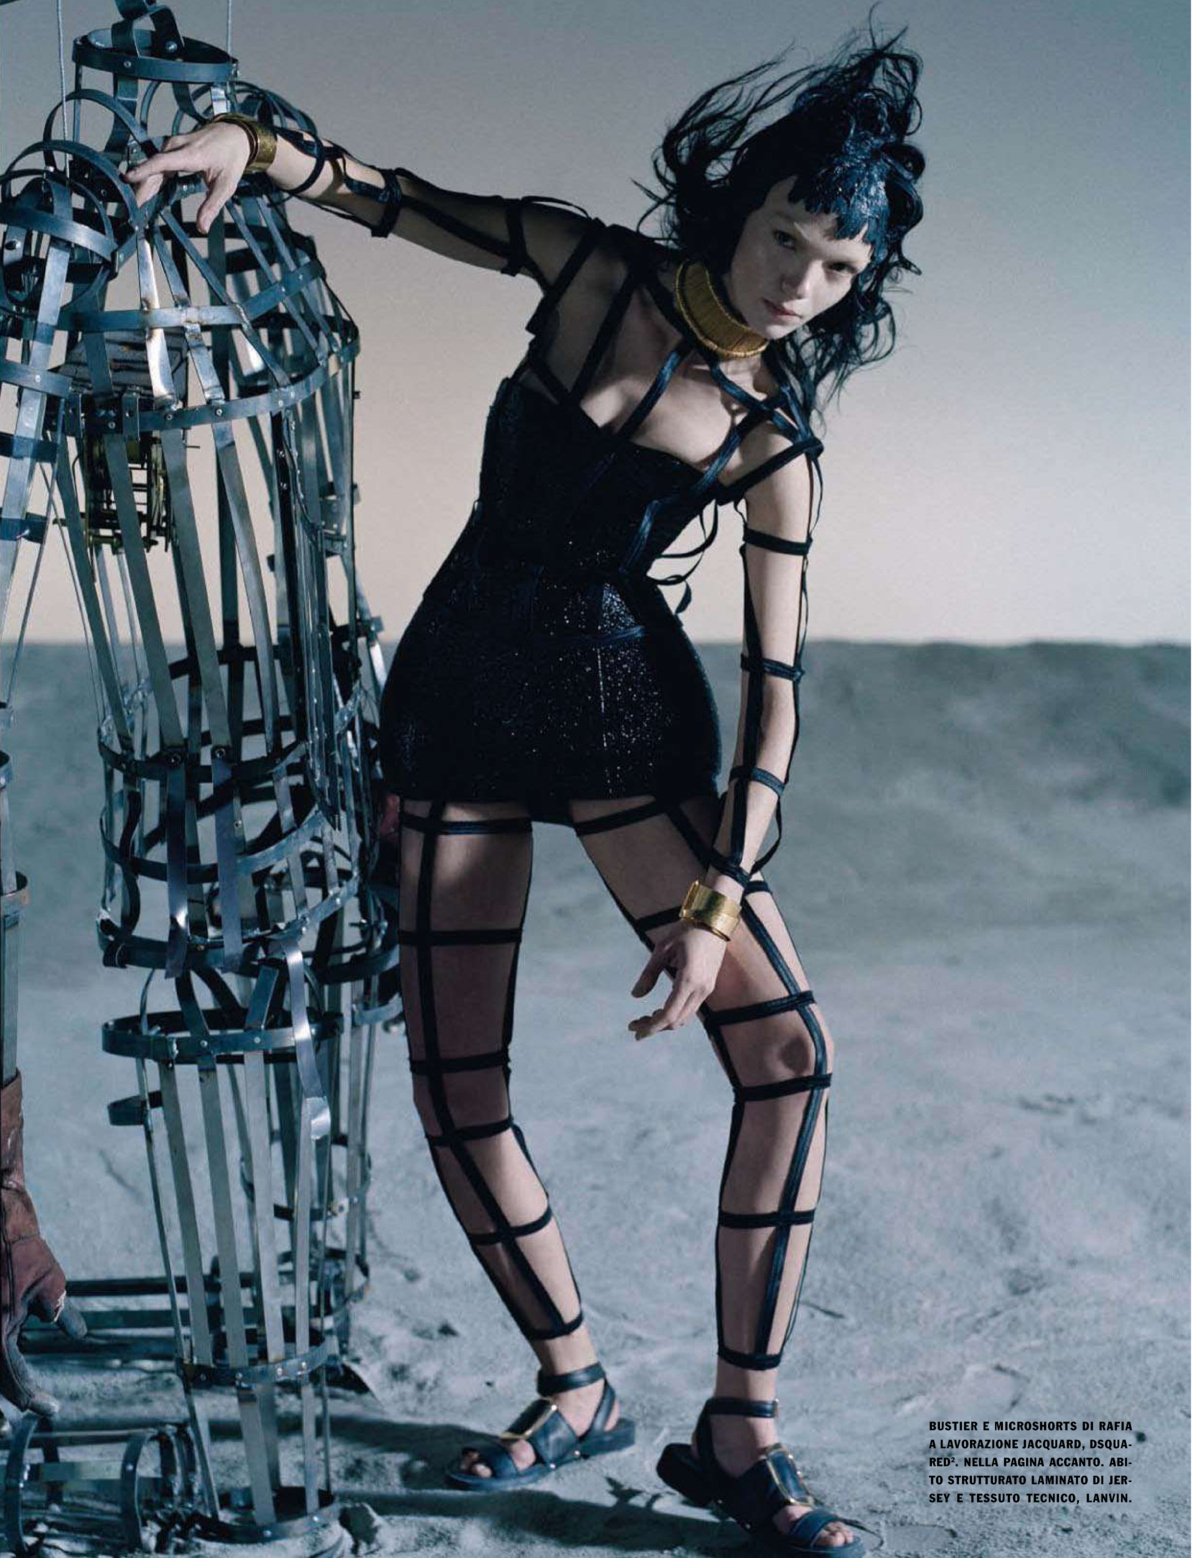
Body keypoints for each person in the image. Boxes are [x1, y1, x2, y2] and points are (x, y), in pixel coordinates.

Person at [126, 16, 924, 1553]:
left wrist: (718, 896)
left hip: (626, 723)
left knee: (789, 1057)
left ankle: (742, 1432)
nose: (801, 285)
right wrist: (256, 149)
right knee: (456, 1077)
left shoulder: (772, 441)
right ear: (740, 207)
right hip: (459, 710)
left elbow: (777, 696)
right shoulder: (592, 270)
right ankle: (574, 1379)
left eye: (840, 268)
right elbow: (391, 197)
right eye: (789, 238)